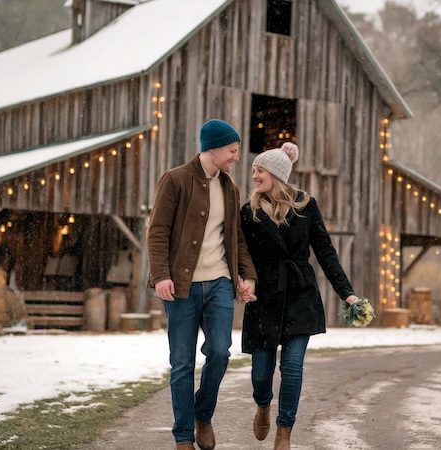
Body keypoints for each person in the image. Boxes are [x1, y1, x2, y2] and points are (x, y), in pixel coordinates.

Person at [240, 142, 359, 450]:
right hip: (264, 297)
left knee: (292, 368)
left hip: (299, 295)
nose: (254, 175)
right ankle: (263, 405)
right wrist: (243, 281)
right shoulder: (248, 212)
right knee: (261, 373)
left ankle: (284, 431)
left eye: (260, 170)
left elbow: (325, 252)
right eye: (253, 170)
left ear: (277, 174)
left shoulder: (306, 206)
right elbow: (242, 255)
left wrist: (347, 294)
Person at [147, 118, 258, 450]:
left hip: (220, 283)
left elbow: (235, 237)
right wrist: (161, 275)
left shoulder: (230, 187)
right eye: (233, 151)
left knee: (220, 353)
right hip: (181, 287)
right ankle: (184, 437)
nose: (237, 157)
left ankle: (202, 415)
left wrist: (246, 274)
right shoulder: (175, 180)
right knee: (182, 363)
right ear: (215, 148)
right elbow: (157, 231)